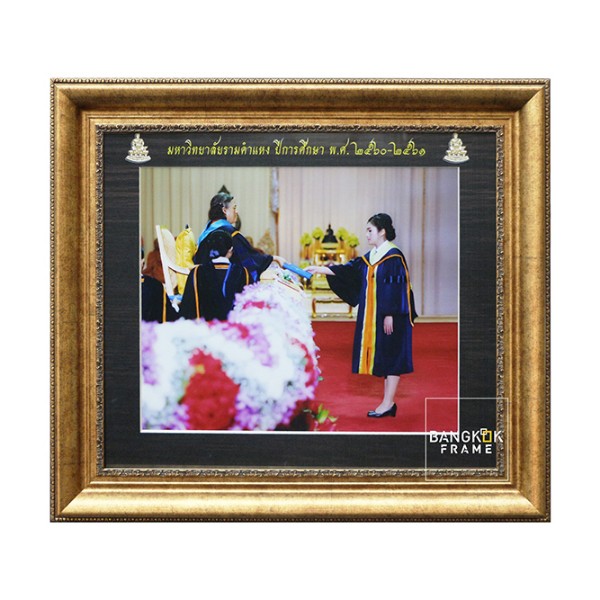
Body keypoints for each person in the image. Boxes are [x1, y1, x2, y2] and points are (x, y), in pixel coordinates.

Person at [306, 213, 417, 418]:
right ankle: (387, 402)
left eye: (370, 230)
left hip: (392, 316)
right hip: (374, 317)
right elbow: (347, 270)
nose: (366, 234)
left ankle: (388, 403)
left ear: (382, 231)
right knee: (385, 356)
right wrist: (319, 269)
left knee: (392, 356)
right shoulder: (371, 256)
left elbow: (397, 286)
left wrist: (390, 314)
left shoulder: (393, 257)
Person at [193, 192, 285, 283]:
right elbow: (249, 257)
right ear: (224, 210)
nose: (236, 211)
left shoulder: (206, 232)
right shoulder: (229, 232)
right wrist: (273, 258)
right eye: (234, 208)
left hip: (203, 283)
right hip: (224, 284)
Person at [180, 229, 250, 321]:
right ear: (230, 250)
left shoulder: (197, 272)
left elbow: (188, 309)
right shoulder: (244, 273)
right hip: (235, 328)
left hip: (204, 328)